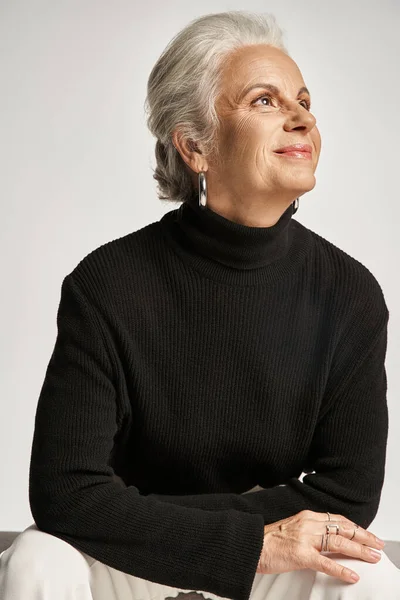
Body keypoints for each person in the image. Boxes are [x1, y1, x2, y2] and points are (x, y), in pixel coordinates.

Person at [0, 9, 398, 600]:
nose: (301, 117)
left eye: (303, 100)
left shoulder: (350, 295)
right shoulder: (107, 284)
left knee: (367, 576)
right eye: (265, 100)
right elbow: (65, 490)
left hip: (260, 549)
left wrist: (254, 546)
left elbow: (348, 495)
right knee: (36, 561)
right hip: (133, 556)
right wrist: (242, 540)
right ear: (195, 146)